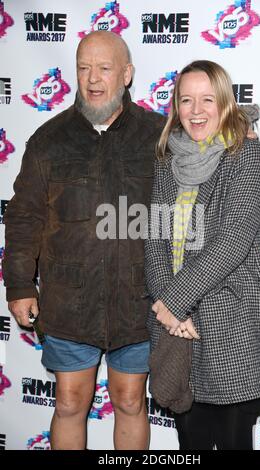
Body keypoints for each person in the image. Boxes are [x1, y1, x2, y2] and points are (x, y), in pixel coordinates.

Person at [2, 31, 165, 450]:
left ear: (126, 74)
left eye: (104, 68)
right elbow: (24, 218)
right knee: (71, 403)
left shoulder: (158, 135)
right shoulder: (49, 139)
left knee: (130, 401)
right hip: (69, 301)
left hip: (138, 299)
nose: (92, 78)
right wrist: (19, 286)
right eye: (83, 67)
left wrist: (242, 142)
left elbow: (192, 198)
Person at [145, 60, 260, 450]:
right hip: (177, 331)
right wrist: (171, 310)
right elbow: (152, 239)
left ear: (225, 103)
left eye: (207, 99)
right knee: (191, 446)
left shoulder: (247, 156)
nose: (196, 111)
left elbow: (233, 240)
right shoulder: (166, 161)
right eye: (186, 100)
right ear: (176, 107)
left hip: (231, 326)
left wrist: (175, 301)